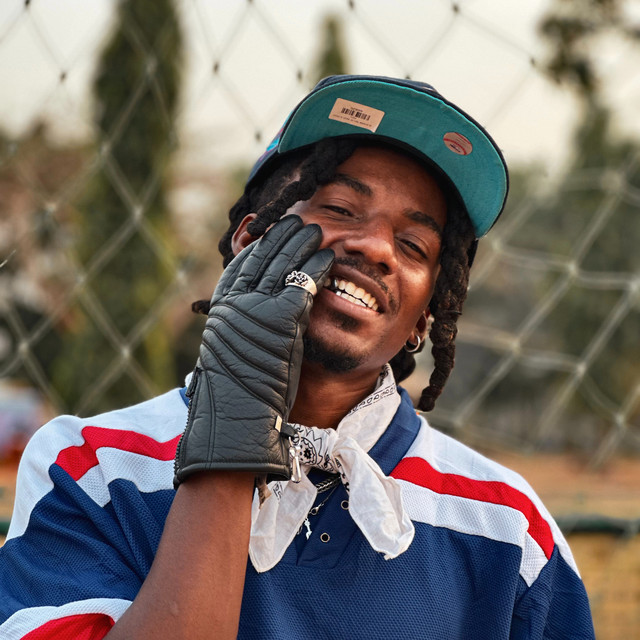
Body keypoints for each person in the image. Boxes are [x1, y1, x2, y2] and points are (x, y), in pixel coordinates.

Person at [0, 75, 594, 639]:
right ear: (248, 239)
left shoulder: (507, 528)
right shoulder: (90, 468)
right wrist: (234, 419)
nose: (376, 247)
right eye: (340, 208)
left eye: (413, 244)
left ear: (424, 318)